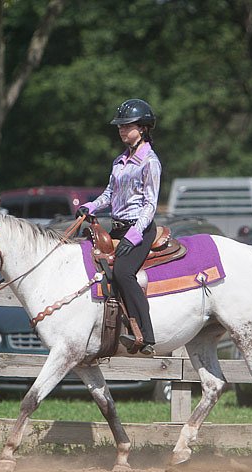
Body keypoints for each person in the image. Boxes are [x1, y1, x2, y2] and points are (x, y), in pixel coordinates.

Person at [76, 98, 161, 355]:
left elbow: (151, 203)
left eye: (128, 126)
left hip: (141, 228)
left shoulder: (150, 162)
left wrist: (134, 235)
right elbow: (109, 194)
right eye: (120, 126)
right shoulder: (119, 161)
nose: (122, 130)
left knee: (123, 271)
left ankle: (146, 335)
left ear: (143, 128)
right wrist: (91, 207)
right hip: (117, 226)